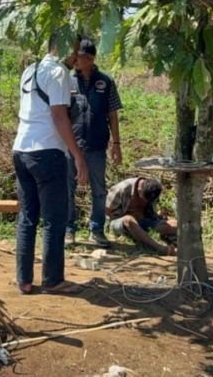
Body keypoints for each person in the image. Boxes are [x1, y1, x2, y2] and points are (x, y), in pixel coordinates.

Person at [12, 32, 88, 294]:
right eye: (76, 50)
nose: (77, 56)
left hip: (21, 149)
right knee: (55, 218)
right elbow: (59, 117)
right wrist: (77, 155)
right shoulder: (58, 73)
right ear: (66, 48)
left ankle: (24, 279)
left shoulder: (30, 70)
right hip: (47, 151)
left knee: (27, 216)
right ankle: (53, 279)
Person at [63, 38, 122, 248]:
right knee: (67, 188)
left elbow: (113, 115)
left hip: (97, 146)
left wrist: (116, 144)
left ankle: (97, 230)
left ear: (90, 58)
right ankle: (69, 231)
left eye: (78, 57)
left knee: (99, 190)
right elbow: (61, 114)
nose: (75, 61)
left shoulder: (105, 82)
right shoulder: (67, 81)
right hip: (72, 146)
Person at [105, 176, 176, 255]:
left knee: (174, 223)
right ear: (139, 190)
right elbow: (107, 210)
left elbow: (153, 215)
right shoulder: (121, 189)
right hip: (120, 223)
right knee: (128, 220)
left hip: (143, 222)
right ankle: (159, 248)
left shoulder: (153, 190)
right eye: (143, 199)